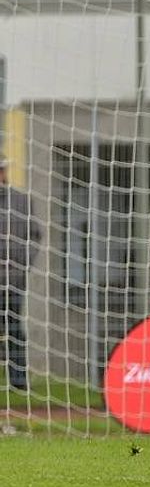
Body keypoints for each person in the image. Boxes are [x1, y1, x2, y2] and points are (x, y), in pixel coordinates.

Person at [0, 156, 41, 391]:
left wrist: (22, 263)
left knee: (14, 327)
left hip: (13, 279)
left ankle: (18, 381)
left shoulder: (21, 200)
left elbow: (34, 235)